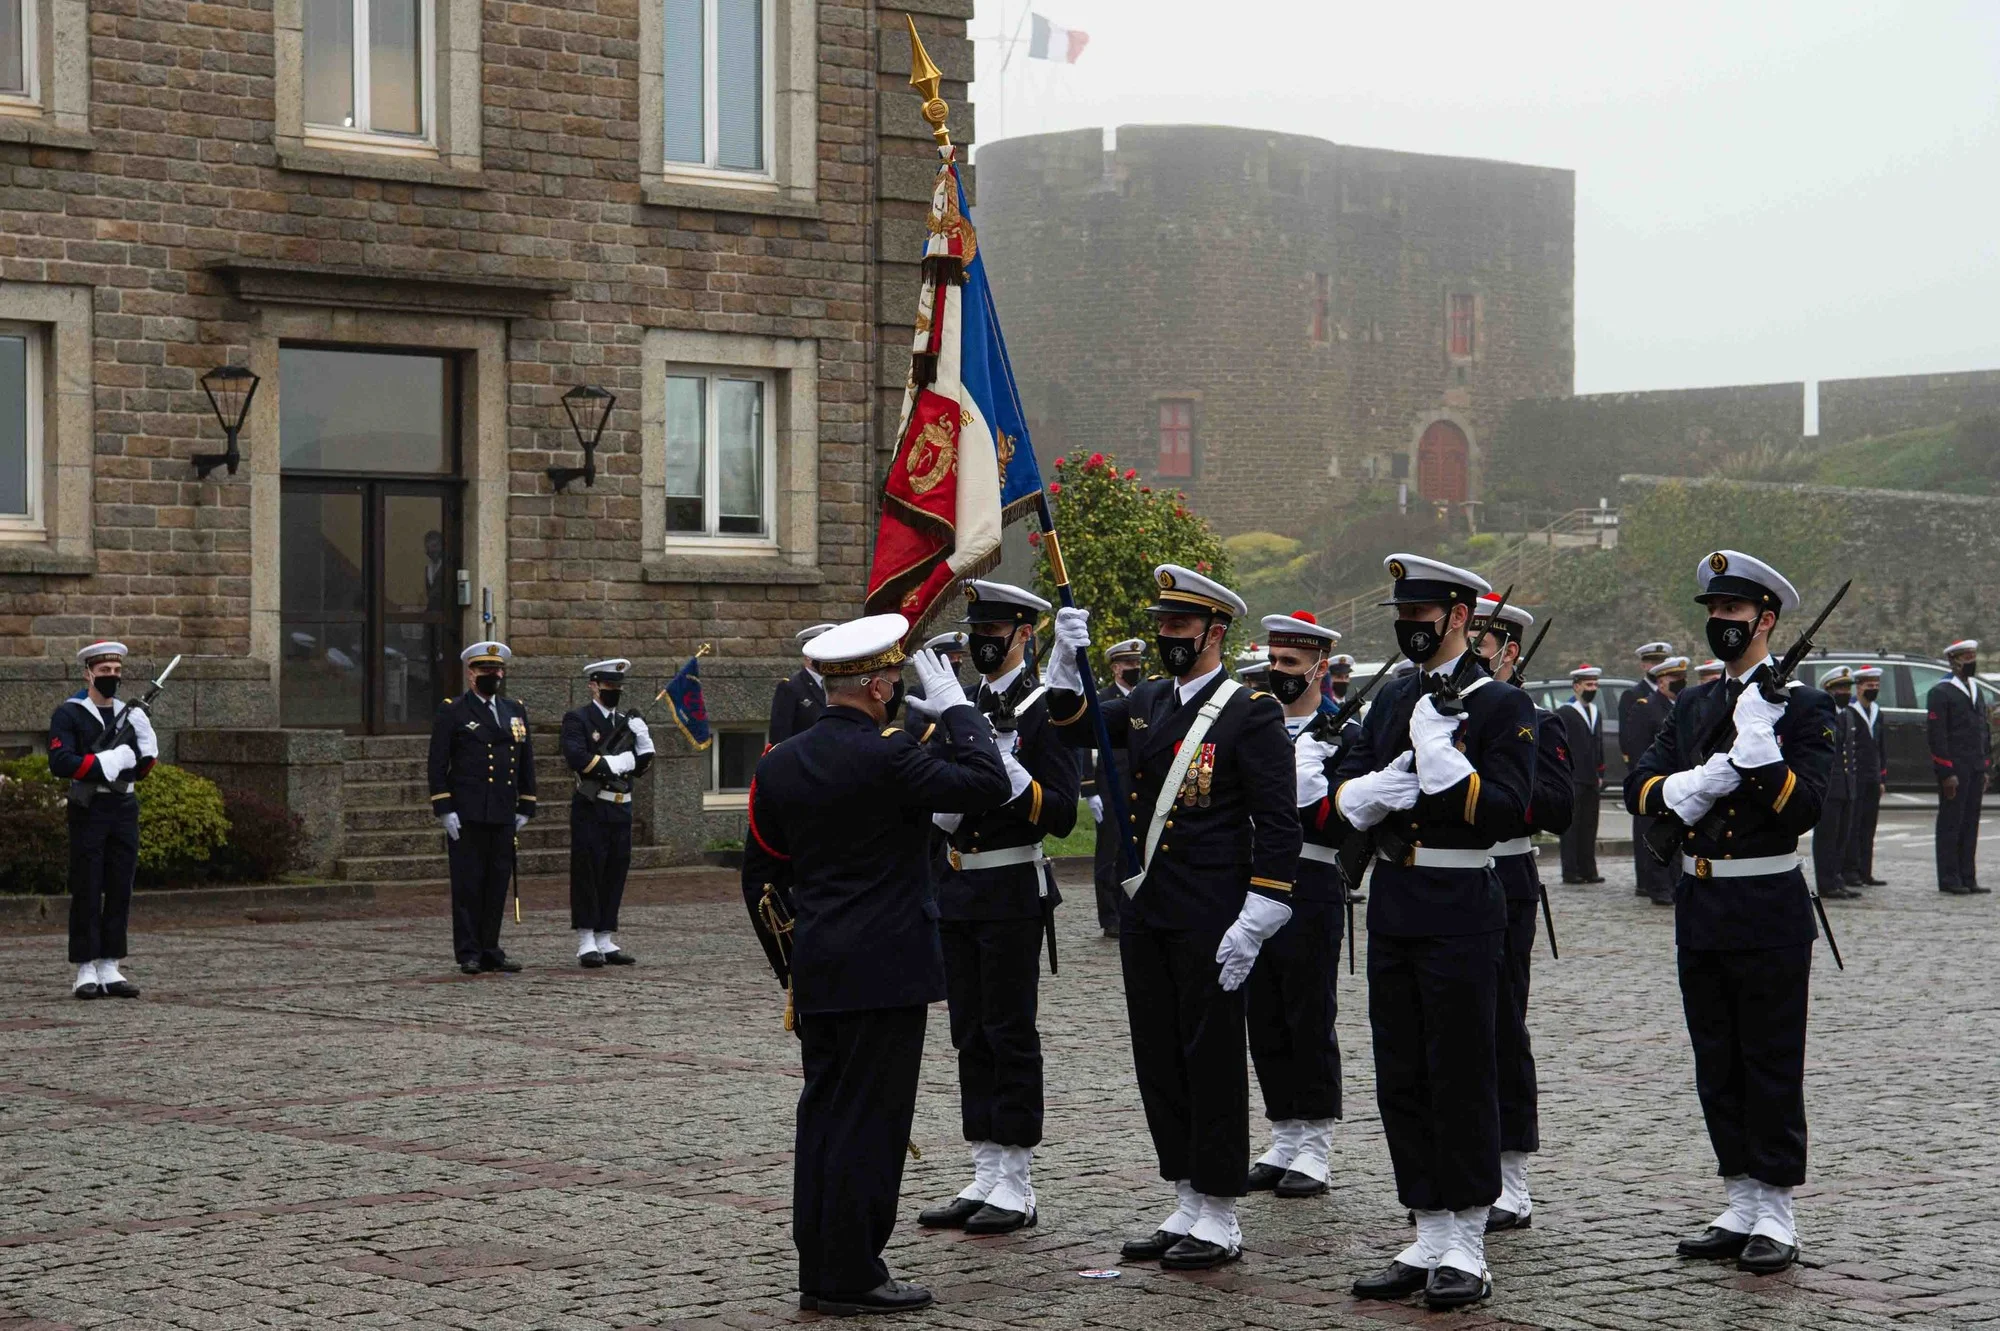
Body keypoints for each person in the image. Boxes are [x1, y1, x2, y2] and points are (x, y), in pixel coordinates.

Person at [743, 614, 1009, 1315]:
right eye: (893, 678)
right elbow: (986, 781)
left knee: (825, 1117)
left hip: (821, 966)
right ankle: (852, 1271)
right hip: (887, 965)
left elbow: (761, 879)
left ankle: (822, 1263)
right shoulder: (889, 754)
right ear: (881, 684)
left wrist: (791, 968)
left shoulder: (778, 762)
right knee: (873, 1122)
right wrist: (955, 704)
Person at [1045, 566, 1301, 1271]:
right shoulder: (1147, 701)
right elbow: (1068, 725)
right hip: (1150, 908)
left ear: (1215, 632)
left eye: (1180, 627)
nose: (1166, 637)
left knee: (1210, 1057)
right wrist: (1065, 661)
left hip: (1213, 914)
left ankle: (1220, 1211)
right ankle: (1186, 1194)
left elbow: (1277, 821)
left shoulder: (1249, 712)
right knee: (1157, 1055)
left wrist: (1262, 909)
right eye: (1162, 625)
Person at [1332, 556, 1537, 1311]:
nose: (1408, 625)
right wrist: (1370, 788)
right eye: (1401, 613)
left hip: (1460, 899)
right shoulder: (1391, 698)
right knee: (1403, 1072)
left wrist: (1446, 757)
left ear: (1459, 616)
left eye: (1423, 614)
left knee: (1461, 1069)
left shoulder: (1500, 705)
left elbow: (1512, 806)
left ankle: (1469, 1241)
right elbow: (1344, 784)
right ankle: (1427, 1223)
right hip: (1395, 899)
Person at [1625, 550, 1835, 1276]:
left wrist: (1762, 752)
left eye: (1733, 614)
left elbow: (1807, 806)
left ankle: (1776, 1206)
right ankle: (1739, 1195)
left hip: (1768, 902)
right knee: (1716, 1057)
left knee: (1769, 1057)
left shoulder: (1805, 706)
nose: (1720, 624)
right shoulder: (1693, 704)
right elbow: (1639, 784)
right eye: (1712, 613)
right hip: (1702, 898)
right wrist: (1696, 779)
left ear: (1766, 620)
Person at [916, 581, 1078, 1236]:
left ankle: (1016, 1179)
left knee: (1009, 1032)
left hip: (1012, 890)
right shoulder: (957, 705)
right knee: (969, 1031)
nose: (983, 640)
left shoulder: (1045, 710)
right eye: (976, 628)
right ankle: (985, 1167)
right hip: (958, 891)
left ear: (1025, 636)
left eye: (997, 629)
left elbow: (1062, 813)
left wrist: (1009, 773)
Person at [1471, 597, 1572, 1233]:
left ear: (1510, 653)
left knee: (1503, 1025)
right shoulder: (1437, 712)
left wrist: (1490, 784)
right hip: (1440, 880)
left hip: (1504, 878)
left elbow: (1560, 806)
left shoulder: (1540, 720)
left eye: (1484, 651)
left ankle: (1511, 1175)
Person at [1244, 612, 1348, 1199]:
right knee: (1265, 1013)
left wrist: (1320, 785)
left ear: (1319, 667)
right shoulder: (1255, 724)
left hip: (1309, 880)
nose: (1280, 673)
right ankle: (1284, 1133)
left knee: (1309, 1012)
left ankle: (1316, 1144)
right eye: (1274, 662)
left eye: (1291, 663)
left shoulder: (1343, 733)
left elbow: (1347, 821)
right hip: (1252, 877)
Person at [48, 641, 159, 999]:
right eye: (104, 671)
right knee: (87, 885)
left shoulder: (128, 714)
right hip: (88, 808)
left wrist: (146, 745)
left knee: (120, 884)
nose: (112, 677)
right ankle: (85, 968)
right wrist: (104, 763)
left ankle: (110, 964)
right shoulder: (70, 713)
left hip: (123, 808)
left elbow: (140, 770)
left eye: (117, 671)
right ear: (88, 673)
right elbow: (60, 762)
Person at [429, 641, 537, 974]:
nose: (494, 676)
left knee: (496, 883)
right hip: (468, 811)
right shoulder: (454, 710)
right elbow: (437, 763)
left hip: (503, 811)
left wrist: (526, 803)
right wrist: (445, 808)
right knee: (468, 884)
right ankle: (469, 952)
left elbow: (525, 760)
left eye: (497, 670)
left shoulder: (514, 709)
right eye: (486, 671)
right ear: (471, 673)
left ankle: (491, 947)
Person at [560, 658, 656, 968]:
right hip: (592, 806)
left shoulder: (626, 722)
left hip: (620, 805)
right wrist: (615, 764)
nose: (613, 691)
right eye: (608, 686)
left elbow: (641, 767)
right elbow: (577, 757)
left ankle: (605, 935)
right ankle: (586, 938)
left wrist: (644, 743)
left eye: (617, 686)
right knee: (589, 870)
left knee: (615, 869)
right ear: (593, 686)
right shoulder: (578, 718)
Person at [1081, 639, 1147, 938]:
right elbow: (1084, 745)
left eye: (1137, 664)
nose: (1135, 669)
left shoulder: (1146, 698)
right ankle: (1109, 917)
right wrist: (1089, 789)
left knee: (1133, 852)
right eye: (1129, 664)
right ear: (1116, 667)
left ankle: (1129, 910)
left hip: (1139, 786)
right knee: (1109, 853)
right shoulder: (1102, 699)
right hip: (1109, 786)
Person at [1928, 639, 1991, 895]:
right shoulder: (1941, 692)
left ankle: (1968, 875)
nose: (1971, 662)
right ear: (1953, 661)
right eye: (1966, 658)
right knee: (1951, 824)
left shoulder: (1976, 689)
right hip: (1954, 770)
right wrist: (1946, 772)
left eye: (1973, 656)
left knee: (1970, 823)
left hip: (1974, 768)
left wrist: (1985, 766)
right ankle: (1949, 878)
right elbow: (1937, 736)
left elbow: (1982, 731)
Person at [1626, 654, 1683, 905]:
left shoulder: (1679, 707)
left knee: (1675, 836)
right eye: (1675, 679)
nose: (1680, 683)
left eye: (1682, 678)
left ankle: (1674, 883)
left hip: (1678, 784)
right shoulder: (1646, 706)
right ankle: (1658, 887)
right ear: (1661, 682)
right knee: (1654, 834)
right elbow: (1637, 748)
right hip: (1654, 783)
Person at [1812, 668, 1859, 902]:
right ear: (1828, 691)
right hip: (1829, 787)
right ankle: (1826, 882)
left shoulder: (1848, 715)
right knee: (1827, 838)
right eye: (1839, 688)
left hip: (1847, 786)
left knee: (1842, 837)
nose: (1845, 692)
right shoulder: (1823, 716)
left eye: (1847, 688)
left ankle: (1837, 878)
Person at [1558, 665, 1605, 885]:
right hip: (1573, 776)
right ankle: (1571, 870)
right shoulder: (1565, 712)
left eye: (1595, 684)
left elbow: (1599, 744)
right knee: (1572, 826)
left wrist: (1600, 770)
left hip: (1591, 777)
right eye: (1588, 684)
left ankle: (1589, 869)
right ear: (1577, 686)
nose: (1592, 688)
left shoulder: (1596, 712)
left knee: (1589, 824)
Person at [1843, 666, 1887, 888]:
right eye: (1870, 686)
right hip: (1855, 777)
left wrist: (1881, 778)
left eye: (1877, 686)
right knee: (1853, 825)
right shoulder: (1850, 711)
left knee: (1869, 826)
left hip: (1871, 777)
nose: (1874, 689)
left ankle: (1865, 871)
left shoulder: (1877, 711)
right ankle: (1850, 871)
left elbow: (1881, 747)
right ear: (1859, 687)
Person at [768, 624, 835, 745]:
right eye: (823, 651)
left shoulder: (838, 684)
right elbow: (780, 737)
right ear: (808, 656)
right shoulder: (791, 687)